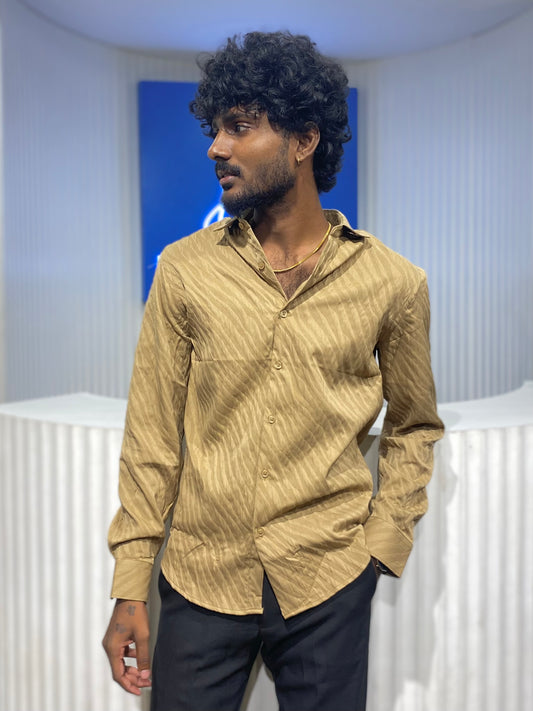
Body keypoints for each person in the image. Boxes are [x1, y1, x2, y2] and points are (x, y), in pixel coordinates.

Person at [102, 30, 444, 711]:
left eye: (239, 127)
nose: (215, 147)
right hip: (200, 580)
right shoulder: (184, 270)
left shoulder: (393, 283)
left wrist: (381, 545)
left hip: (327, 582)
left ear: (304, 139)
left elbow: (414, 427)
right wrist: (129, 585)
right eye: (215, 128)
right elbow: (151, 439)